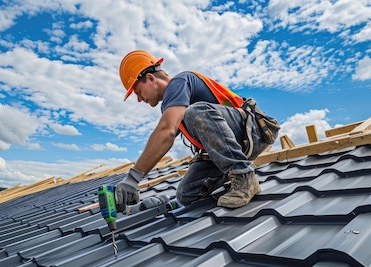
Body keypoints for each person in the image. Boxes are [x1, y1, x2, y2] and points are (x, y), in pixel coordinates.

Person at [114, 50, 277, 211]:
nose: (139, 98)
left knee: (194, 112)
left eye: (138, 92)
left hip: (254, 131)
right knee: (186, 194)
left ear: (150, 78)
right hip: (233, 144)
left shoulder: (179, 82)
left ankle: (244, 176)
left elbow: (166, 132)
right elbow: (163, 142)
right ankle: (230, 176)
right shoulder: (173, 104)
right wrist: (134, 181)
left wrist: (132, 178)